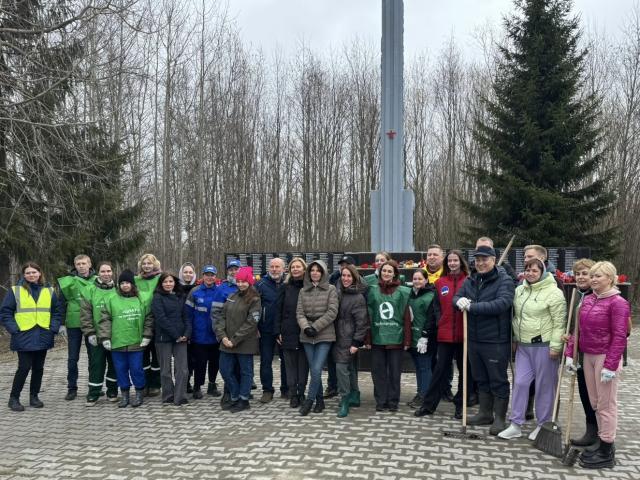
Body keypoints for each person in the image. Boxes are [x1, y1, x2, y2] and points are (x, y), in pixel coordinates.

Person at [566, 261, 629, 469]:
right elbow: (578, 330)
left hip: (605, 356)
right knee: (595, 403)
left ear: (610, 278)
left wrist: (610, 366)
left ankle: (606, 449)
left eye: (598, 276)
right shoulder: (588, 300)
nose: (593, 279)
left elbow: (620, 336)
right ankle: (601, 442)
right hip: (588, 356)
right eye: (592, 276)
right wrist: (570, 354)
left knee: (606, 405)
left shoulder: (618, 303)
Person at [497, 258, 566, 440]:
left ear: (542, 272)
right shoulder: (520, 290)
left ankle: (543, 424)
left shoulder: (554, 293)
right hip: (523, 346)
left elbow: (559, 322)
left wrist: (556, 346)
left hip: (544, 346)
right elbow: (515, 316)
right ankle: (515, 424)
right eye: (527, 270)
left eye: (535, 270)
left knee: (544, 386)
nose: (530, 273)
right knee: (520, 383)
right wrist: (514, 338)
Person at [454, 244, 515, 435]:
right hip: (473, 338)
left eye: (484, 259)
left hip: (495, 340)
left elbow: (502, 304)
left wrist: (472, 307)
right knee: (480, 378)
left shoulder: (504, 280)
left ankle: (499, 418)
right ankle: (484, 413)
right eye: (477, 260)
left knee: (497, 379)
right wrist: (459, 302)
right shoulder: (471, 279)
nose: (480, 263)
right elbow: (457, 297)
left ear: (493, 260)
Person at [415, 250, 470, 419]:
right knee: (440, 371)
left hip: (464, 334)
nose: (452, 263)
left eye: (455, 260)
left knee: (465, 372)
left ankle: (460, 406)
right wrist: (430, 329)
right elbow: (435, 310)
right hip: (445, 335)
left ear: (461, 262)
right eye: (450, 261)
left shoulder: (469, 281)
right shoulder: (440, 283)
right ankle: (429, 405)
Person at [1, 262, 62, 411]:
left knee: (38, 368)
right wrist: (14, 329)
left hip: (43, 334)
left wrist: (53, 328)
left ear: (39, 273)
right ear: (24, 275)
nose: (31, 275)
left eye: (34, 272)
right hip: (23, 335)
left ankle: (34, 397)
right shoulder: (15, 291)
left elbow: (56, 312)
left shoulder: (49, 290)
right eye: (28, 273)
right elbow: (5, 312)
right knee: (24, 368)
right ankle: (13, 398)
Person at [99, 270, 153, 408]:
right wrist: (105, 337)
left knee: (136, 369)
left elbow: (148, 318)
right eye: (122, 283)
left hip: (136, 343)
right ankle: (124, 394)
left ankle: (139, 392)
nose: (125, 285)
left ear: (132, 284)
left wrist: (147, 335)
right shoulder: (111, 299)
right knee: (120, 369)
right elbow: (105, 319)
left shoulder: (142, 299)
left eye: (128, 282)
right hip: (117, 343)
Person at [365, 260, 412, 412]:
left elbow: (406, 317)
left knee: (394, 372)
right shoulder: (372, 290)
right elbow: (369, 315)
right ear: (380, 273)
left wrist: (407, 340)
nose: (386, 273)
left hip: (396, 339)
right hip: (377, 338)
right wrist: (367, 338)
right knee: (378, 371)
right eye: (384, 271)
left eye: (389, 271)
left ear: (395, 274)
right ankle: (381, 400)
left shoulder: (403, 292)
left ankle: (393, 401)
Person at [215, 267, 261, 413]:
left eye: (243, 281)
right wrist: (223, 336)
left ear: (249, 282)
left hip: (244, 342)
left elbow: (251, 323)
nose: (240, 284)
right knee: (225, 370)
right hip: (226, 342)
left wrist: (234, 340)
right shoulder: (232, 296)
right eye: (239, 281)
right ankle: (234, 396)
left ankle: (244, 399)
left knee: (246, 372)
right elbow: (222, 317)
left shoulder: (254, 299)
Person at [562, 259, 598, 447]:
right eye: (578, 274)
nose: (581, 277)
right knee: (585, 393)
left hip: (597, 356)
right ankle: (591, 431)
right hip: (581, 355)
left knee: (598, 398)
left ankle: (603, 436)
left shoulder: (601, 296)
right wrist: (569, 337)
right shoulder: (578, 295)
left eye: (585, 273)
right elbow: (573, 326)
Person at [296, 260, 339, 416]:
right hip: (307, 334)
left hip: (324, 333)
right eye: (312, 270)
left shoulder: (331, 289)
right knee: (314, 369)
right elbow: (299, 313)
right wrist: (306, 327)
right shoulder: (303, 291)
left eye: (318, 270)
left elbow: (332, 311)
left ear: (323, 273)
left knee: (316, 368)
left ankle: (309, 400)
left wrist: (316, 327)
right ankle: (320, 400)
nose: (315, 273)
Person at [57, 254, 96, 401]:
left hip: (92, 323)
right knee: (73, 358)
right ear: (75, 265)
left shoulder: (97, 280)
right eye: (78, 264)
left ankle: (94, 386)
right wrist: (61, 323)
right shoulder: (68, 282)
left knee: (94, 357)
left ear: (89, 264)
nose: (81, 266)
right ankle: (72, 388)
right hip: (73, 324)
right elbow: (61, 303)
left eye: (84, 263)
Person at [79, 261, 118, 405]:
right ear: (98, 273)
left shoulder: (118, 290)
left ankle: (112, 391)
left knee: (114, 364)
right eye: (103, 271)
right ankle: (93, 393)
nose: (106, 274)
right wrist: (90, 333)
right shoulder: (89, 290)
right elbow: (85, 314)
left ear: (112, 272)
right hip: (96, 336)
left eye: (108, 271)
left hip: (115, 336)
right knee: (97, 365)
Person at [333, 264, 369, 418]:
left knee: (341, 368)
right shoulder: (337, 292)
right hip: (336, 336)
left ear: (354, 278)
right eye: (343, 275)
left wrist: (356, 342)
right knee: (350, 368)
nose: (345, 279)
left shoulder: (358, 297)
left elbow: (362, 322)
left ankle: (345, 399)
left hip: (348, 338)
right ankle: (355, 395)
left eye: (349, 276)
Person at [152, 272, 191, 406]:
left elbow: (186, 316)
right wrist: (176, 335)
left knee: (182, 369)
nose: (168, 284)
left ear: (175, 283)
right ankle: (168, 395)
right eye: (165, 282)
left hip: (181, 338)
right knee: (165, 370)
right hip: (163, 338)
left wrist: (187, 333)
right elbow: (161, 318)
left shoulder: (181, 296)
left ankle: (180, 396)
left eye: (171, 281)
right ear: (161, 284)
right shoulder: (157, 297)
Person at [275, 257, 309, 408]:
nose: (295, 269)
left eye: (298, 267)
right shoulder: (285, 287)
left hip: (304, 331)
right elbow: (278, 310)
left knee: (303, 365)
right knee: (290, 365)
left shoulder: (309, 287)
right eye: (293, 267)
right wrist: (277, 331)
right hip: (288, 331)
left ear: (304, 269)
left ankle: (301, 393)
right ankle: (293, 394)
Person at [185, 265, 221, 399]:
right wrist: (189, 332)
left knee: (214, 362)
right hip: (199, 336)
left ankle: (212, 385)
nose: (209, 277)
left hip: (215, 335)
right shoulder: (195, 291)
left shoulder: (220, 291)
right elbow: (188, 314)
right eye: (207, 275)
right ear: (203, 276)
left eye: (212, 275)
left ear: (215, 277)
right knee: (199, 363)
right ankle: (197, 387)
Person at [255, 257, 288, 403]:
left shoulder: (288, 283)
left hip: (283, 330)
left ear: (283, 269)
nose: (274, 269)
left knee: (286, 361)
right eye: (272, 267)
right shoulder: (260, 284)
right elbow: (254, 307)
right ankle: (267, 390)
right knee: (266, 361)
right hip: (266, 329)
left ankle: (286, 389)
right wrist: (255, 327)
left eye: (277, 267)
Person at [325, 255, 356, 399]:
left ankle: (352, 392)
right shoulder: (332, 279)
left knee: (348, 364)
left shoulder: (358, 282)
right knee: (332, 360)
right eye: (341, 265)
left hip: (349, 329)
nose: (343, 267)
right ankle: (332, 386)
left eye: (346, 264)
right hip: (333, 327)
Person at [211, 258, 241, 408]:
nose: (234, 272)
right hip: (226, 335)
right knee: (226, 368)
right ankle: (229, 392)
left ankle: (238, 394)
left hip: (243, 336)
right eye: (231, 269)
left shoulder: (248, 287)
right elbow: (215, 314)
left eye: (236, 269)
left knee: (240, 368)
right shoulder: (221, 289)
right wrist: (220, 334)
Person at [406, 270, 437, 409]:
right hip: (413, 338)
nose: (417, 281)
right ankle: (420, 393)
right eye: (415, 279)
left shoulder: (431, 295)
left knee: (425, 367)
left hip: (425, 339)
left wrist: (425, 335)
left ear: (426, 280)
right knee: (418, 367)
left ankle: (425, 396)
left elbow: (432, 318)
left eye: (420, 279)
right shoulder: (410, 294)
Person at [134, 253, 162, 396]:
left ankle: (155, 384)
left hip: (157, 321)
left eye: (149, 263)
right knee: (142, 355)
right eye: (144, 263)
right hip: (140, 321)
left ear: (154, 264)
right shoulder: (135, 280)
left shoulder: (160, 279)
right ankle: (144, 383)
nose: (146, 266)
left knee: (156, 355)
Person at [178, 262, 198, 393]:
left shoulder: (197, 288)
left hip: (195, 328)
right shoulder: (175, 289)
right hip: (181, 329)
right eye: (185, 272)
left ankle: (190, 381)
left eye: (190, 272)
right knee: (181, 359)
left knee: (192, 358)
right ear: (181, 273)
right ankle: (182, 382)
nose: (188, 275)